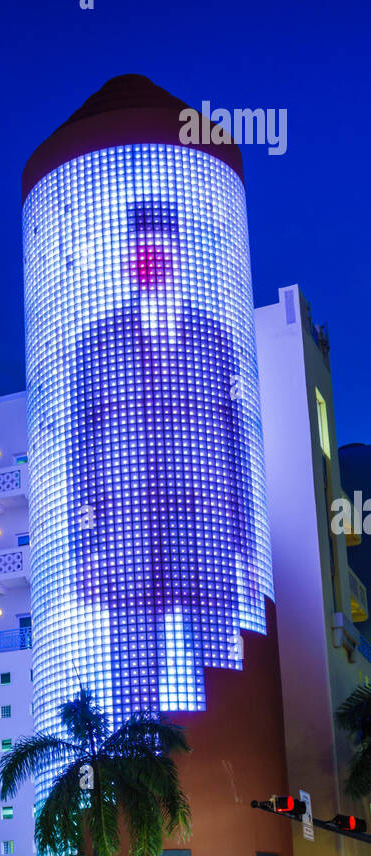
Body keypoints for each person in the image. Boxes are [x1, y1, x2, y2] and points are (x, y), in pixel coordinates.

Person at [67, 199, 264, 723]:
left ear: (177, 250)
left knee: (221, 681)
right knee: (134, 693)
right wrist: (85, 547)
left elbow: (237, 447)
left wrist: (244, 546)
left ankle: (225, 778)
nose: (148, 253)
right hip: (127, 538)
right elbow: (82, 462)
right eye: (139, 245)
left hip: (208, 536)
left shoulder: (216, 341)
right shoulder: (97, 345)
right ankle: (146, 784)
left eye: (159, 242)